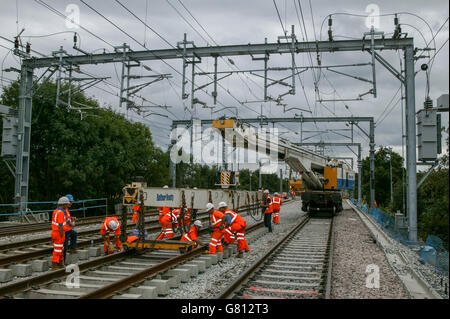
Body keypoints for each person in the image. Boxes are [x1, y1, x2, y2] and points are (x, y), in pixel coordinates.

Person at [51, 197, 70, 270]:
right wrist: (62, 234)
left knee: (60, 249)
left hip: (55, 232)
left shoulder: (55, 211)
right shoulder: (61, 213)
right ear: (64, 204)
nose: (67, 206)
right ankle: (55, 264)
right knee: (58, 250)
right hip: (59, 233)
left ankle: (60, 262)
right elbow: (60, 225)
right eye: (66, 204)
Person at [63, 194, 78, 263]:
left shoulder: (66, 209)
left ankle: (72, 248)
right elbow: (66, 220)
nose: (71, 203)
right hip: (64, 230)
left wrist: (72, 218)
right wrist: (72, 223)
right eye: (70, 202)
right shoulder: (64, 210)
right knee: (65, 246)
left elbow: (67, 217)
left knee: (74, 234)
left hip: (67, 229)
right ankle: (63, 260)